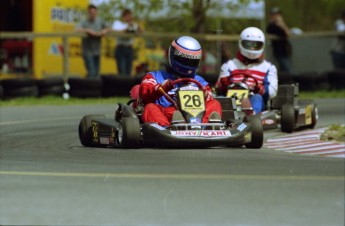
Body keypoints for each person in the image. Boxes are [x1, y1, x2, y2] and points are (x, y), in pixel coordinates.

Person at [140, 36, 222, 127]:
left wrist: (205, 95)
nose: (188, 65)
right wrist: (161, 88)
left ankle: (206, 128)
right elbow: (145, 94)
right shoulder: (155, 76)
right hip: (167, 114)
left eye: (192, 62)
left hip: (197, 117)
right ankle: (167, 129)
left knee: (215, 104)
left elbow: (209, 96)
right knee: (150, 108)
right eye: (185, 60)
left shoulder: (199, 81)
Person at [216, 27, 278, 114]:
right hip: (231, 100)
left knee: (257, 97)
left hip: (253, 99)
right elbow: (218, 89)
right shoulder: (229, 65)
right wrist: (223, 85)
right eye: (248, 44)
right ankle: (217, 116)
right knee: (220, 99)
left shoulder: (268, 67)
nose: (252, 49)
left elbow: (272, 92)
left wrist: (259, 88)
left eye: (256, 45)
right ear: (241, 43)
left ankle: (251, 115)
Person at [75, 4, 109, 78]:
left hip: (97, 51)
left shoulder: (100, 21)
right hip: (88, 51)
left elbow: (108, 28)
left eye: (94, 13)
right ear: (88, 13)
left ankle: (94, 88)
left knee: (96, 73)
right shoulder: (84, 21)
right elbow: (76, 29)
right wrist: (87, 30)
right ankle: (89, 88)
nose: (93, 15)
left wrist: (104, 31)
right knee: (91, 72)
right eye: (91, 13)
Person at [112, 9, 141, 77]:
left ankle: (127, 87)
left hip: (129, 48)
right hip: (120, 48)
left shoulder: (132, 25)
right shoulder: (118, 23)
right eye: (127, 16)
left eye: (130, 16)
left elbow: (141, 31)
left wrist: (137, 27)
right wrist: (127, 29)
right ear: (123, 16)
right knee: (122, 71)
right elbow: (116, 32)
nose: (129, 18)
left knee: (128, 71)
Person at [266, 7, 292, 73]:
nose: (275, 16)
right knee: (287, 68)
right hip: (277, 51)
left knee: (283, 69)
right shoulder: (271, 26)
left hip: (285, 50)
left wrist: (282, 24)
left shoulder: (282, 24)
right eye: (273, 15)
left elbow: (288, 34)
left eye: (277, 14)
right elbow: (268, 33)